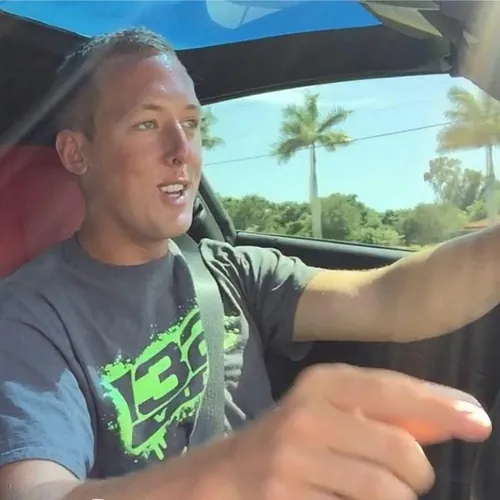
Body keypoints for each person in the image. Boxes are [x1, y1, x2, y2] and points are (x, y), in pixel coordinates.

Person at [0, 27, 494, 500]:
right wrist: (222, 479)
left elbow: (388, 297)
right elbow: (36, 491)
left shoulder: (228, 271)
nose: (182, 152)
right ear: (76, 153)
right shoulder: (27, 318)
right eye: (147, 124)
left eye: (191, 124)